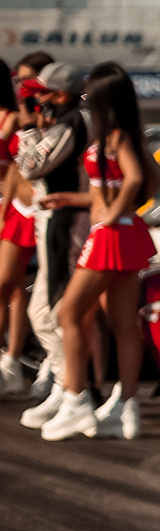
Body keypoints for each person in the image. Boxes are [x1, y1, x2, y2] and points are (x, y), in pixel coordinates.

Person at [41, 64, 160, 441]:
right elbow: (150, 179)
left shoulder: (116, 136)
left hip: (109, 235)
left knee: (69, 312)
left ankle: (75, 399)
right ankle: (128, 407)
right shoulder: (126, 134)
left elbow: (140, 180)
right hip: (124, 233)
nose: (85, 97)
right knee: (124, 324)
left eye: (90, 93)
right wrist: (75, 199)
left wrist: (114, 210)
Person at [15, 61, 90, 430]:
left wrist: (28, 128)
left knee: (51, 311)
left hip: (66, 226)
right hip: (52, 223)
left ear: (61, 95)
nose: (35, 98)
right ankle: (65, 385)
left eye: (41, 92)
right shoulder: (65, 122)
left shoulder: (72, 123)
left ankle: (73, 391)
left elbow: (29, 166)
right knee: (42, 313)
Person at [0, 71, 46, 395]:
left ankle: (12, 360)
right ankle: (10, 362)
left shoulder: (19, 117)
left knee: (9, 286)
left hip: (24, 206)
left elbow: (19, 166)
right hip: (12, 206)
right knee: (10, 287)